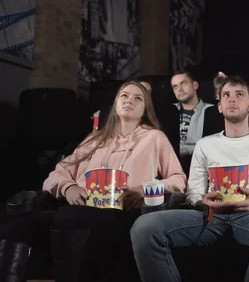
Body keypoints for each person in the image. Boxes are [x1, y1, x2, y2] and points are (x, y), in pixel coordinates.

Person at [2, 81, 187, 282]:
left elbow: (178, 181)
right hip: (75, 205)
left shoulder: (154, 138)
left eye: (138, 98)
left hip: (120, 212)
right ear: (115, 104)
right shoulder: (94, 139)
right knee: (18, 227)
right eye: (124, 96)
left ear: (145, 109)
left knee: (71, 218)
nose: (129, 101)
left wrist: (143, 191)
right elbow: (57, 174)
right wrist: (68, 187)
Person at [131, 76, 249, 282]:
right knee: (144, 226)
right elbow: (194, 193)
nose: (231, 99)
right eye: (226, 95)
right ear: (219, 107)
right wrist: (202, 202)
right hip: (211, 215)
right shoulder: (205, 144)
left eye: (239, 94)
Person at [171, 70, 213, 158]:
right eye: (175, 87)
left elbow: (214, 143)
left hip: (199, 161)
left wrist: (187, 150)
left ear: (195, 85)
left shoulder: (211, 111)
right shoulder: (168, 111)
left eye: (183, 84)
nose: (179, 89)